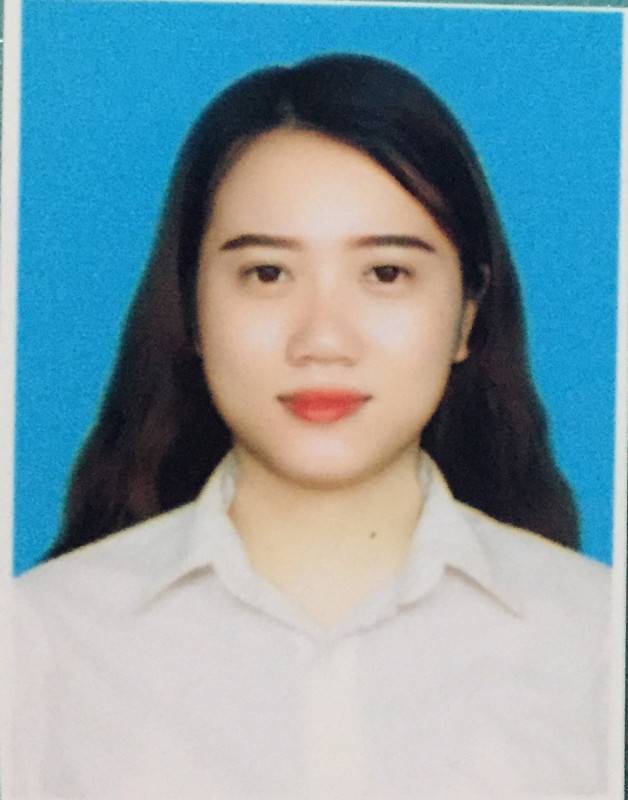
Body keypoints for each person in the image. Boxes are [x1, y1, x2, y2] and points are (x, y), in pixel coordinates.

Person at [10, 54, 610, 798]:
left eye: (386, 274)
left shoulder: (596, 640)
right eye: (267, 274)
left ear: (466, 314)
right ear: (191, 308)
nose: (322, 340)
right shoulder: (40, 641)